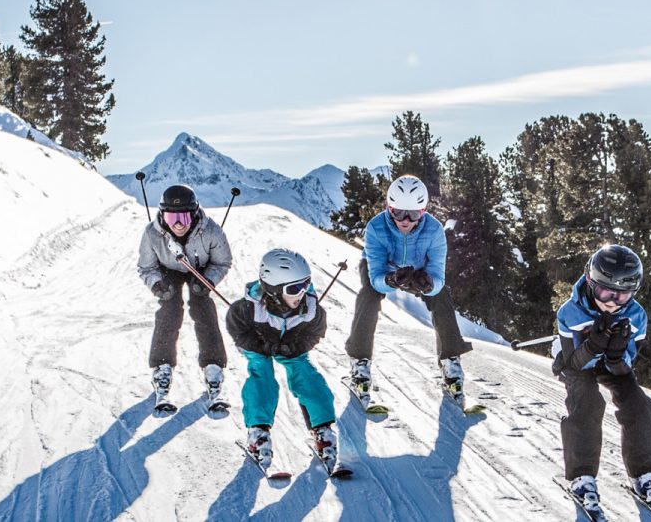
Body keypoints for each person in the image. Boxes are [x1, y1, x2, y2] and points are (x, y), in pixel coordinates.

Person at [553, 244, 651, 511]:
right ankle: (582, 476)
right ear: (590, 282)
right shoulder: (570, 312)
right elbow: (572, 366)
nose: (611, 302)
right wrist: (592, 346)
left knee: (639, 404)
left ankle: (644, 474)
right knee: (588, 401)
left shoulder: (636, 316)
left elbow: (627, 365)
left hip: (609, 363)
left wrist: (615, 356)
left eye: (621, 296)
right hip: (575, 362)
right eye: (604, 291)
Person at [343, 175, 473, 398]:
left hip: (418, 269)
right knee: (369, 296)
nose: (405, 220)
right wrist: (391, 280)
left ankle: (450, 360)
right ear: (388, 208)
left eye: (413, 214)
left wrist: (429, 284)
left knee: (441, 296)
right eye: (398, 212)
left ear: (423, 211)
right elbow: (376, 277)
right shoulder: (376, 227)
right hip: (383, 269)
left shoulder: (433, 231)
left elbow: (438, 276)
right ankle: (360, 362)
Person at [225, 249, 341, 471]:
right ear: (274, 289)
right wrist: (259, 345)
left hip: (291, 348)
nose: (302, 292)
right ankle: (258, 432)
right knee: (262, 373)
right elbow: (237, 329)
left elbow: (315, 332)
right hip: (260, 347)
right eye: (295, 288)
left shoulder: (310, 308)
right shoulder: (250, 306)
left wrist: (295, 346)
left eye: (306, 284)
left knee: (307, 375)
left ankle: (322, 429)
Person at [135, 184, 233, 411]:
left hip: (200, 268)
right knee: (169, 310)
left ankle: (213, 367)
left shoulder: (210, 231)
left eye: (183, 217)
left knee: (204, 309)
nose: (178, 224)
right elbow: (146, 267)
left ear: (194, 213)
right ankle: (162, 367)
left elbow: (223, 261)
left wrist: (207, 280)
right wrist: (157, 284)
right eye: (171, 218)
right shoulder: (152, 233)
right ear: (162, 216)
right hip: (168, 270)